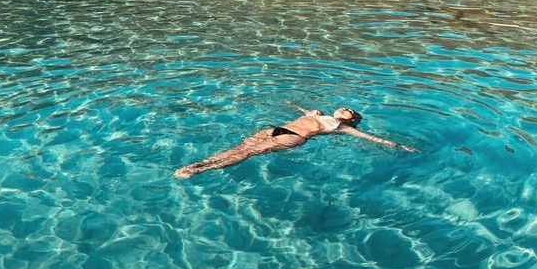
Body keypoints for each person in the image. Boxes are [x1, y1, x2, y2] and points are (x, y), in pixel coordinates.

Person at [174, 104, 417, 179]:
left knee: (247, 153)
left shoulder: (339, 126)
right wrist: (295, 105)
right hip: (276, 129)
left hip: (293, 137)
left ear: (350, 119)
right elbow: (303, 110)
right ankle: (198, 164)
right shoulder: (319, 113)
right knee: (238, 148)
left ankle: (201, 171)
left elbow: (371, 138)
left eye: (350, 110)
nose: (347, 107)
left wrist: (399, 146)